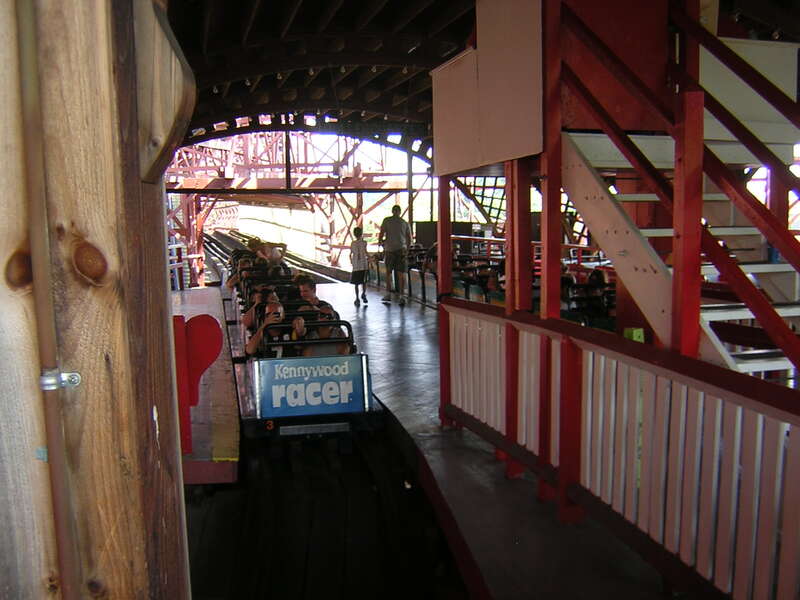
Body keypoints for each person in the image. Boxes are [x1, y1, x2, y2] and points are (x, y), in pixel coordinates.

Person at [378, 205, 412, 306]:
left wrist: (381, 243)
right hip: (401, 250)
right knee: (401, 274)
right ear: (400, 212)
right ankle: (402, 296)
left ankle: (388, 294)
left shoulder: (386, 220)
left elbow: (381, 234)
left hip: (389, 250)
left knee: (388, 273)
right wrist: (408, 249)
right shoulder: (405, 223)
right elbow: (409, 238)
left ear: (392, 211)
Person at [349, 226, 369, 306]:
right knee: (364, 281)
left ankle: (357, 298)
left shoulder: (353, 243)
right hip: (363, 265)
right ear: (361, 234)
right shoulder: (364, 243)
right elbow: (366, 252)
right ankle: (363, 294)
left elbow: (351, 254)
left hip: (356, 266)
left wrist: (352, 262)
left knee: (356, 283)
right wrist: (371, 258)